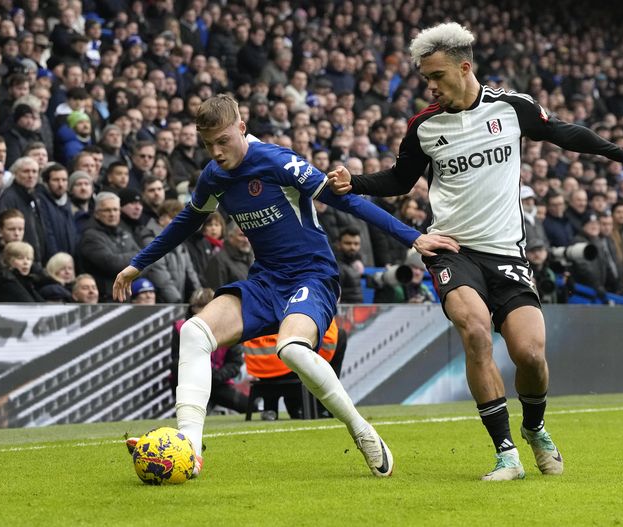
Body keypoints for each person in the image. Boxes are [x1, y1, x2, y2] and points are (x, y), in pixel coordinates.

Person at [327, 22, 623, 481]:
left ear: (464, 67)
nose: (430, 87)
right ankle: (506, 454)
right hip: (451, 249)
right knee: (475, 330)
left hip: (507, 253)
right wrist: (352, 181)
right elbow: (399, 181)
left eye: (436, 76)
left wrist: (619, 153)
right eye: (425, 80)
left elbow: (563, 132)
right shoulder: (424, 126)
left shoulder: (511, 108)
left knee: (531, 355)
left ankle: (535, 428)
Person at [115, 94, 458, 478]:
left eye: (223, 141)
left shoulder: (278, 162)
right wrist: (136, 264)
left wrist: (413, 237)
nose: (216, 151)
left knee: (291, 349)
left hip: (312, 275)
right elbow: (187, 221)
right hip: (265, 280)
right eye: (208, 144)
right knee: (195, 332)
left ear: (242, 128)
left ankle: (362, 432)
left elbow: (349, 203)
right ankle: (189, 449)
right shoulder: (214, 176)